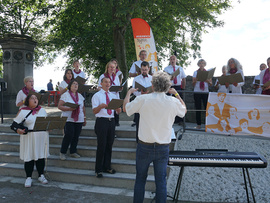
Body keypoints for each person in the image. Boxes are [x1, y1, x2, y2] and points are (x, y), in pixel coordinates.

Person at [123, 71, 186, 203]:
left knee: (140, 179)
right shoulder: (173, 101)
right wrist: (176, 93)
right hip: (163, 147)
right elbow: (184, 110)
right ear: (167, 86)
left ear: (152, 85)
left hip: (144, 146)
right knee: (161, 182)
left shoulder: (143, 99)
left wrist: (128, 93)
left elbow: (126, 109)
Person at [13, 94, 49, 187]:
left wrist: (49, 127)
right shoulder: (23, 111)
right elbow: (14, 125)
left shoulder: (42, 110)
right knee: (29, 157)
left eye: (36, 98)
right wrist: (18, 130)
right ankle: (28, 177)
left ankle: (41, 175)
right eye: (32, 98)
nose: (35, 100)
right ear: (28, 101)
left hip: (41, 137)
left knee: (40, 156)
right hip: (29, 137)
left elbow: (47, 122)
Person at [91, 77, 121, 178]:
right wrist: (100, 106)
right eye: (105, 82)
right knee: (101, 146)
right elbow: (94, 111)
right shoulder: (97, 96)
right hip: (101, 121)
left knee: (109, 145)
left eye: (109, 82)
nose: (107, 84)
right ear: (101, 83)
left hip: (111, 121)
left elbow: (118, 112)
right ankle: (98, 169)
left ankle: (107, 166)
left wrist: (118, 109)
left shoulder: (113, 95)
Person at [58, 79, 86, 160]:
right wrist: (69, 109)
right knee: (69, 135)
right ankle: (62, 152)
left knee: (76, 136)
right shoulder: (65, 95)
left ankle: (73, 151)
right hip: (68, 118)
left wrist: (84, 117)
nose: (75, 85)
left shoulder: (80, 96)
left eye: (77, 84)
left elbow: (83, 107)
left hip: (79, 118)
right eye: (73, 84)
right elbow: (59, 106)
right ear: (70, 86)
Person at [132, 61, 152, 142]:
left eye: (146, 70)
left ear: (149, 69)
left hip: (150, 104)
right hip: (139, 104)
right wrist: (140, 93)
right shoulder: (136, 79)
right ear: (140, 69)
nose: (144, 71)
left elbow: (155, 91)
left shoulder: (152, 78)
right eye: (143, 70)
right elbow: (133, 91)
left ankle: (148, 141)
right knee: (138, 124)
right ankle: (138, 142)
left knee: (149, 124)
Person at [164, 55, 186, 124]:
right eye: (171, 59)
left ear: (176, 60)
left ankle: (180, 120)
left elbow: (184, 78)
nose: (172, 60)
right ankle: (169, 120)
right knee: (169, 104)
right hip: (169, 87)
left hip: (178, 87)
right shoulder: (166, 69)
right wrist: (169, 78)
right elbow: (164, 79)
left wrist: (183, 88)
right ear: (169, 60)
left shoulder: (180, 68)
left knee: (179, 103)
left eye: (174, 59)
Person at [98, 61, 121, 126]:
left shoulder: (116, 77)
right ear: (107, 68)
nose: (112, 69)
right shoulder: (103, 76)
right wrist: (107, 90)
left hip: (115, 96)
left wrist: (119, 88)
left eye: (113, 67)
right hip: (106, 96)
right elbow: (99, 87)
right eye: (110, 67)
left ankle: (114, 128)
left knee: (115, 114)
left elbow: (118, 86)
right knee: (108, 112)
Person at [192, 59, 212, 129]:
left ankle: (208, 124)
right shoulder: (195, 72)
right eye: (200, 63)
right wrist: (196, 80)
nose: (201, 64)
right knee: (198, 108)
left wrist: (207, 81)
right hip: (197, 91)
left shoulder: (208, 73)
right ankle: (198, 124)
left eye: (203, 63)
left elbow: (210, 84)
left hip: (205, 92)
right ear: (198, 64)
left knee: (207, 108)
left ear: (205, 64)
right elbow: (193, 84)